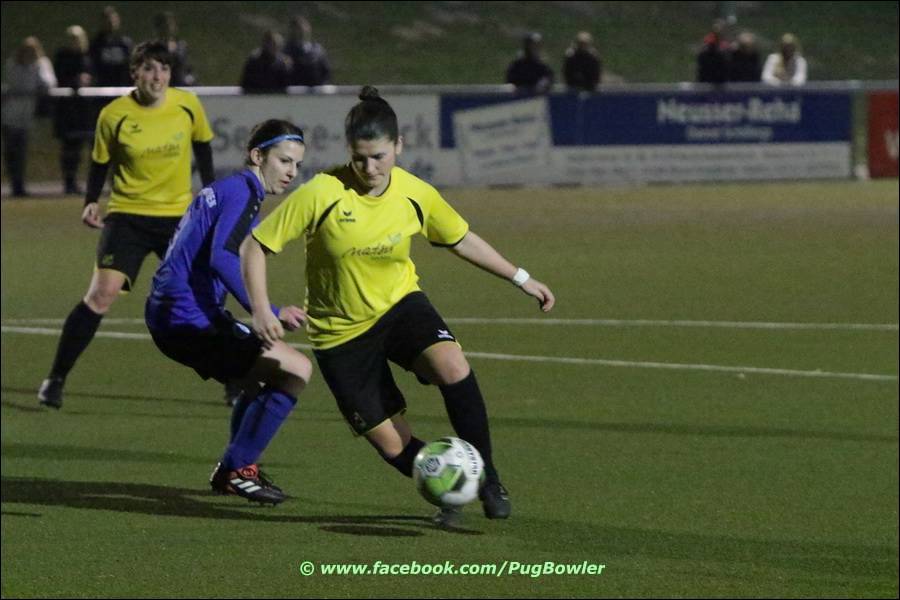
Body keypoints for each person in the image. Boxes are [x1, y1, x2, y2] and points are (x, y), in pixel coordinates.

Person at [240, 86, 556, 524]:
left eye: (379, 157)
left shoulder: (415, 192)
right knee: (392, 443)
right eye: (360, 158)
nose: (370, 168)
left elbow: (460, 238)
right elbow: (255, 246)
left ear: (399, 147)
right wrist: (261, 308)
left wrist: (521, 278)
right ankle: (450, 487)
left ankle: (488, 478)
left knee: (452, 365)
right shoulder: (323, 192)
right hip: (340, 335)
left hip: (400, 307)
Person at [37, 41, 215, 409]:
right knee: (101, 295)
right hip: (128, 217)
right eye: (149, 68)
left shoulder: (188, 105)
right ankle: (55, 378)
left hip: (178, 218)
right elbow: (100, 162)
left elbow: (203, 147)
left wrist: (212, 197)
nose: (158, 76)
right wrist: (90, 200)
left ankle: (231, 379)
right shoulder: (114, 114)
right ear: (134, 73)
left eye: (164, 69)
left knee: (203, 297)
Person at [146, 119, 311, 505]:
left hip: (175, 313)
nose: (292, 172)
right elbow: (222, 256)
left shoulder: (228, 189)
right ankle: (237, 469)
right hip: (187, 319)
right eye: (284, 161)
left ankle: (233, 470)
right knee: (296, 370)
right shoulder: (244, 192)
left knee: (258, 380)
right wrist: (263, 310)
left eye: (297, 164)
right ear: (258, 156)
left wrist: (271, 310)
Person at [2, 36, 56, 198]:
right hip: (9, 115)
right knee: (11, 151)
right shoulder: (13, 64)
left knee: (21, 151)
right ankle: (15, 184)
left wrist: (37, 66)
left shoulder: (41, 64)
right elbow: (14, 82)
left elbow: (48, 83)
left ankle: (20, 185)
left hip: (27, 117)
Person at [53, 25, 96, 195]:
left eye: (78, 39)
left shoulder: (88, 57)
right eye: (72, 39)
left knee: (89, 148)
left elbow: (95, 76)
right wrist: (75, 81)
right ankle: (69, 181)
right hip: (68, 110)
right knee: (70, 148)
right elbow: (59, 78)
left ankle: (91, 182)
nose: (75, 42)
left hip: (85, 109)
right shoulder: (62, 57)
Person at [89, 6, 133, 87]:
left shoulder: (125, 43)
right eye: (108, 21)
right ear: (102, 22)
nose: (111, 24)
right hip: (103, 87)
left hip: (122, 86)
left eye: (114, 21)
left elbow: (131, 66)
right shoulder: (95, 44)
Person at [285, 15, 331, 87]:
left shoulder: (318, 50)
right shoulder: (287, 50)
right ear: (293, 30)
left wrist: (323, 85)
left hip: (317, 90)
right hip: (295, 90)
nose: (302, 30)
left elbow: (326, 72)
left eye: (305, 27)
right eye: (298, 28)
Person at [153, 11, 195, 86]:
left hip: (181, 85)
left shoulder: (182, 46)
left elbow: (189, 68)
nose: (169, 28)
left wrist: (190, 78)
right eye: (166, 25)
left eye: (171, 24)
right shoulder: (152, 47)